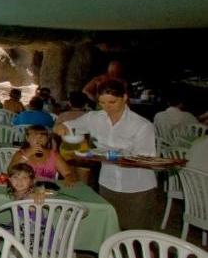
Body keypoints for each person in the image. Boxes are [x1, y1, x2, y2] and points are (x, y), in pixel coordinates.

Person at [55, 80, 156, 229]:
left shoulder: (142, 125)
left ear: (125, 97)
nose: (107, 107)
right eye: (102, 103)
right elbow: (69, 126)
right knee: (109, 229)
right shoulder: (94, 118)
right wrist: (60, 127)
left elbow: (145, 160)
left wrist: (107, 156)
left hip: (136, 187)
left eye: (112, 102)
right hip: (107, 183)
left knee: (136, 233)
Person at [8, 125, 76, 182]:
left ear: (47, 139)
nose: (39, 139)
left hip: (48, 189)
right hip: (26, 188)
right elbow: (10, 171)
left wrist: (69, 178)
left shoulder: (54, 155)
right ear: (27, 138)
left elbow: (68, 173)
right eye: (35, 135)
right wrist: (27, 155)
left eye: (42, 136)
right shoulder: (20, 153)